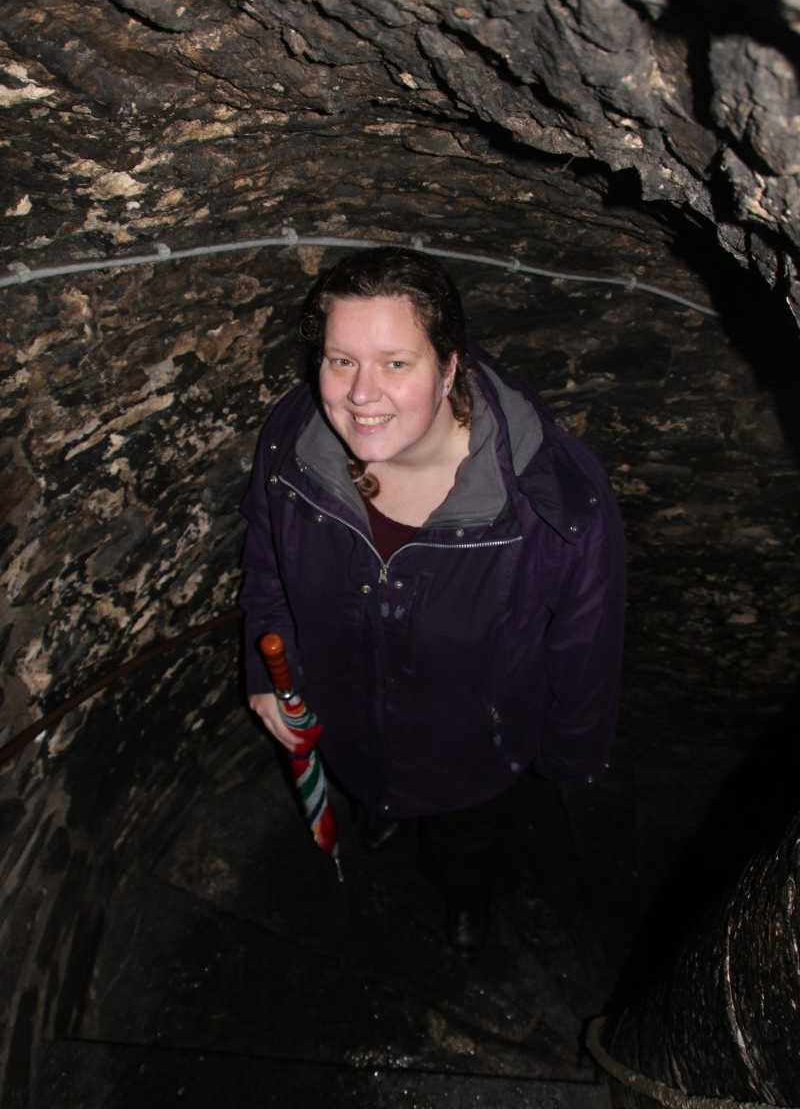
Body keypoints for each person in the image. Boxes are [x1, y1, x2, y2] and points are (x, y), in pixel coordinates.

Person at [239, 246, 625, 957]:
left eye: (395, 363)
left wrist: (565, 763)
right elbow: (267, 565)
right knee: (373, 798)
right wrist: (268, 667)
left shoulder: (553, 505)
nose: (361, 393)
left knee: (463, 848)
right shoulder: (292, 445)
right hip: (350, 725)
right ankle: (382, 812)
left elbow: (585, 651)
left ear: (449, 369)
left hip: (471, 760)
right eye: (341, 360)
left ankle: (466, 901)